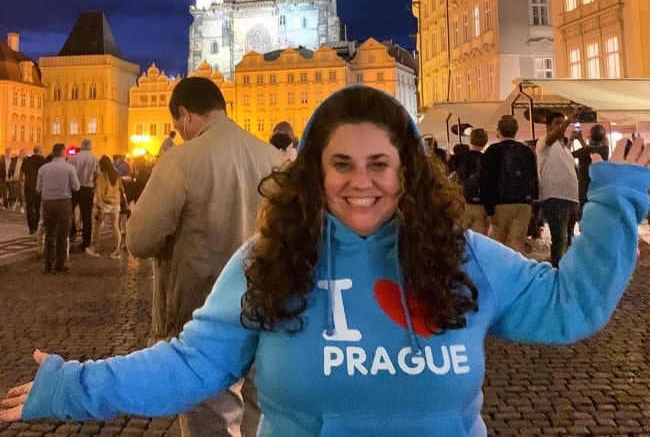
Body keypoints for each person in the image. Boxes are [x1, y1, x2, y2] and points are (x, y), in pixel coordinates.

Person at [2, 86, 649, 437]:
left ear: (407, 172)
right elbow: (192, 363)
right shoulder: (271, 260)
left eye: (379, 164)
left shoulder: (465, 257)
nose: (359, 182)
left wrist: (617, 198)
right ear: (315, 171)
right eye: (340, 163)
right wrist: (72, 386)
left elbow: (571, 309)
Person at [125, 77, 282, 437]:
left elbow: (140, 240)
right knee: (260, 416)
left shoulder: (181, 159)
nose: (179, 133)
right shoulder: (271, 156)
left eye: (178, 126)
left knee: (211, 420)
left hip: (201, 311)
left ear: (184, 115)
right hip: (266, 308)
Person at [480, 114, 539, 255]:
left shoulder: (492, 151)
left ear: (499, 131)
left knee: (499, 245)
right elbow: (534, 176)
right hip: (523, 204)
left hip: (501, 204)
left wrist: (489, 210)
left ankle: (500, 273)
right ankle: (522, 271)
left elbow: (487, 180)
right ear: (516, 130)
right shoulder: (526, 151)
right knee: (518, 242)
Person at [537, 112, 581, 268]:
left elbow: (566, 156)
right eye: (557, 123)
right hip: (555, 197)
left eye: (562, 123)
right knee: (560, 240)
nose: (561, 127)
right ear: (548, 127)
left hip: (571, 198)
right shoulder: (544, 141)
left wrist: (575, 138)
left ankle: (568, 271)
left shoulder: (564, 148)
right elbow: (551, 138)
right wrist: (568, 121)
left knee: (570, 239)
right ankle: (558, 273)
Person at [35, 143, 80, 274]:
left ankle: (48, 265)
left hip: (47, 203)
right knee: (62, 235)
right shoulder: (69, 168)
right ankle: (59, 264)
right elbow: (76, 186)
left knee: (49, 234)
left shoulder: (43, 168)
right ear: (62, 152)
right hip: (63, 203)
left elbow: (38, 188)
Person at [86, 156, 122, 258]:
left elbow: (99, 191)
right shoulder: (116, 175)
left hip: (104, 204)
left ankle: (94, 248)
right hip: (116, 203)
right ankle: (117, 251)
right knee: (115, 226)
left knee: (97, 226)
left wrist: (98, 204)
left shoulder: (102, 176)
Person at [456, 128, 489, 234]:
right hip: (481, 204)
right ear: (485, 142)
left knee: (460, 236)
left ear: (470, 140)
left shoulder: (461, 157)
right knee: (479, 238)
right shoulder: (487, 159)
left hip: (463, 202)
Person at [68, 139, 99, 251]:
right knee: (86, 216)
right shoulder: (95, 159)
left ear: (81, 146)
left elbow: (69, 174)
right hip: (87, 189)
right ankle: (86, 241)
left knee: (70, 212)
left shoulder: (72, 158)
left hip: (74, 189)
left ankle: (71, 232)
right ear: (91, 147)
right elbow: (97, 175)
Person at [571, 123, 609, 210]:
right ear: (603, 138)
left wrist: (572, 140)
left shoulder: (584, 150)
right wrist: (581, 140)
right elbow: (590, 149)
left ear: (590, 137)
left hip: (585, 189)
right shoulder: (605, 150)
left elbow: (568, 155)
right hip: (600, 189)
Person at [22, 146, 46, 235]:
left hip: (28, 185)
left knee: (29, 207)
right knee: (37, 207)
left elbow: (22, 173)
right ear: (39, 151)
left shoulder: (27, 160)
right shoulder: (43, 161)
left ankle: (31, 228)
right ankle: (35, 226)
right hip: (39, 186)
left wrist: (22, 182)